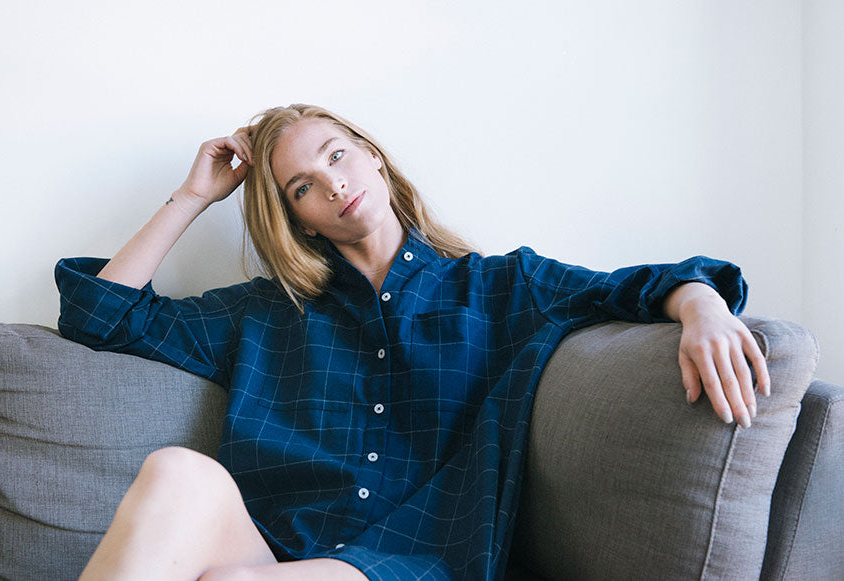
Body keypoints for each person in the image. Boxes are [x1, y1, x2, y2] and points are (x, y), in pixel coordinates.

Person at [55, 103, 770, 581]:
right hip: (271, 556)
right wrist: (194, 195)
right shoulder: (264, 314)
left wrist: (702, 305)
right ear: (299, 219)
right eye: (304, 186)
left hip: (410, 561)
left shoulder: (500, 287)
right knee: (180, 472)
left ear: (372, 157)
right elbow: (101, 315)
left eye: (338, 156)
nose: (333, 185)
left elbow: (635, 285)